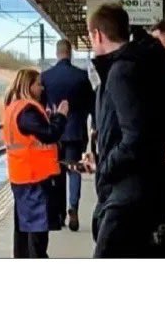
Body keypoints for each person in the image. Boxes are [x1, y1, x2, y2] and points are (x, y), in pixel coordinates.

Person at [84, 3, 165, 257]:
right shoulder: (139, 66)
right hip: (142, 189)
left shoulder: (122, 71)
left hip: (128, 194)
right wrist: (101, 156)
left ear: (97, 35)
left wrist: (106, 166)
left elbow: (135, 137)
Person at [3, 68, 69, 258]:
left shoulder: (14, 107)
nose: (42, 88)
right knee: (37, 233)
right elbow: (49, 135)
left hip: (22, 175)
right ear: (28, 85)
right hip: (34, 178)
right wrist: (61, 116)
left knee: (24, 231)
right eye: (38, 84)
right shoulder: (27, 110)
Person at [41, 38, 94, 232]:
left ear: (57, 53)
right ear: (70, 53)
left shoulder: (46, 77)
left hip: (54, 133)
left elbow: (41, 107)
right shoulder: (81, 76)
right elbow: (91, 104)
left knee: (58, 172)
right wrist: (93, 126)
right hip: (75, 132)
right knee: (74, 170)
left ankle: (59, 214)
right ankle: (73, 207)